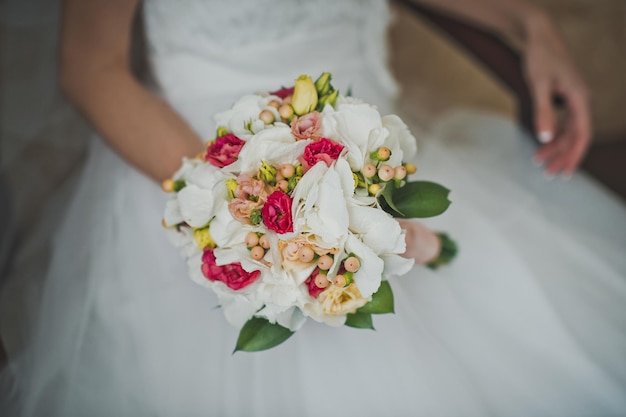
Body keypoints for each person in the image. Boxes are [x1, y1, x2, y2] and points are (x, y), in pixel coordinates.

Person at [1, 0, 625, 416]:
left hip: (381, 149)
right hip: (200, 161)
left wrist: (531, 23)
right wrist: (246, 211)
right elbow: (91, 68)